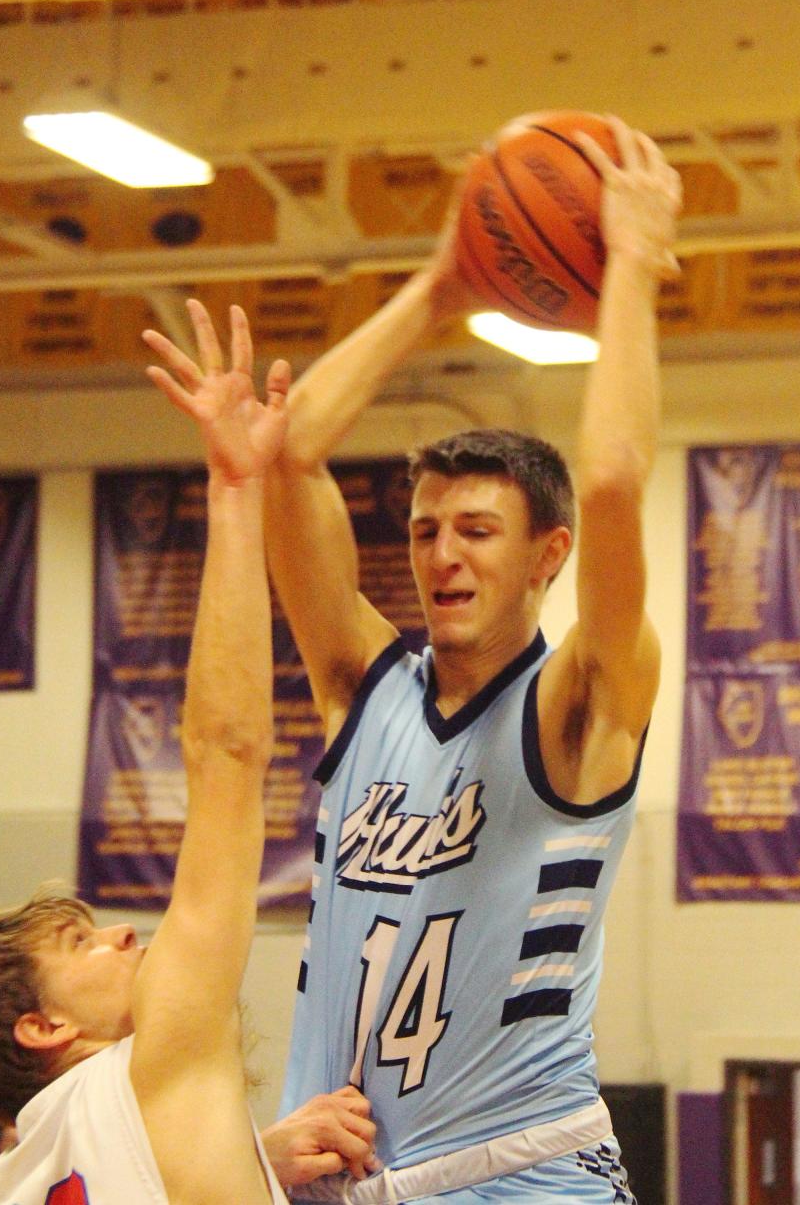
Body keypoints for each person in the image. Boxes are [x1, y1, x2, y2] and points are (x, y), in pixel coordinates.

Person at [255, 115, 682, 1204]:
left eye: (477, 531)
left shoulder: (580, 701)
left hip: (523, 1175)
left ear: (549, 553)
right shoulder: (366, 680)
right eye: (424, 528)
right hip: (346, 1175)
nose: (442, 553)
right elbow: (289, 449)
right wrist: (443, 284)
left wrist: (630, 267)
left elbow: (620, 479)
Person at [0, 303, 377, 1204]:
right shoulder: (153, 1065)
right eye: (80, 942)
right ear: (44, 1027)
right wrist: (235, 488)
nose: (122, 931)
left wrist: (247, 1162)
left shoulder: (13, 1177)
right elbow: (227, 756)